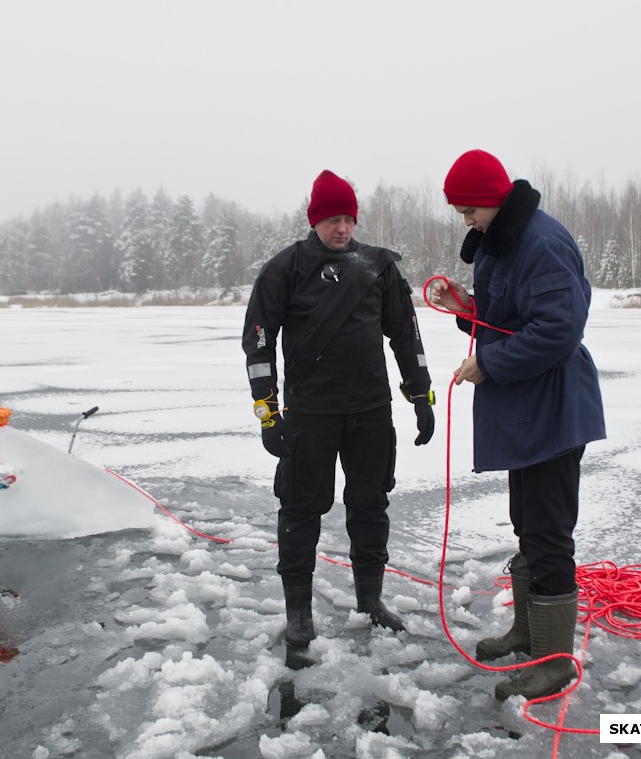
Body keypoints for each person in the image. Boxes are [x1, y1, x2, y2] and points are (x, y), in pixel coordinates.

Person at [431, 149, 606, 701]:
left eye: (468, 211)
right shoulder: (505, 240)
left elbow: (558, 330)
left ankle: (554, 663)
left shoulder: (541, 242)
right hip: (526, 409)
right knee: (526, 522)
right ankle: (530, 634)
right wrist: (466, 306)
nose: (466, 222)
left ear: (491, 200)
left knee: (549, 532)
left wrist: (490, 362)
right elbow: (507, 314)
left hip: (553, 409)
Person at [243, 169, 435, 649]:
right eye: (332, 219)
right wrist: (268, 412)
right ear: (315, 220)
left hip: (370, 412)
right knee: (301, 508)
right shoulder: (284, 268)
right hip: (310, 415)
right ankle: (298, 614)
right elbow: (259, 345)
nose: (342, 228)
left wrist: (420, 394)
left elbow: (406, 334)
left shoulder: (379, 267)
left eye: (348, 218)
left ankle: (371, 602)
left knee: (370, 506)